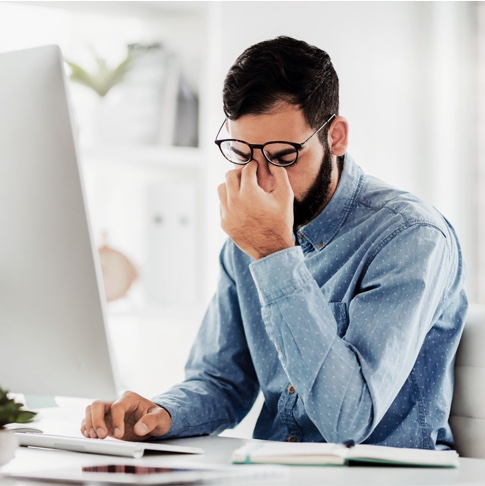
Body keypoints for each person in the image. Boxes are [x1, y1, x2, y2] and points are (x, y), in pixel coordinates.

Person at [81, 36, 467, 450]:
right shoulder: (248, 236)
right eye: (242, 153)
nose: (261, 179)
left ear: (335, 137)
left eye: (283, 156)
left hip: (385, 476)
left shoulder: (410, 237)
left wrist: (273, 255)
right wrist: (161, 414)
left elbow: (350, 422)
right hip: (274, 469)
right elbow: (222, 380)